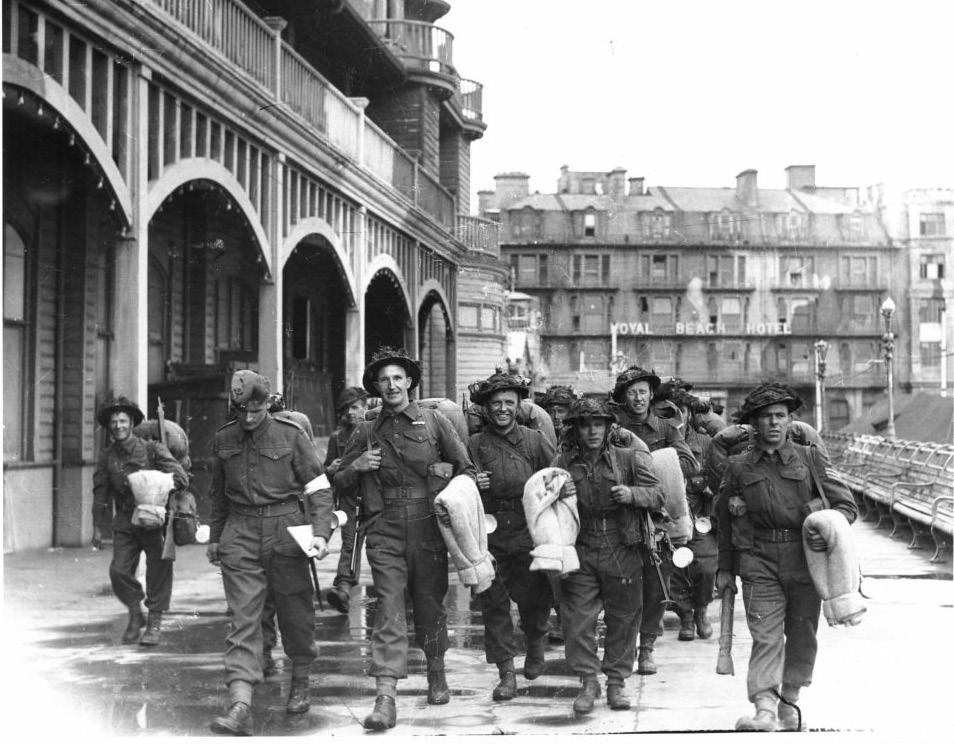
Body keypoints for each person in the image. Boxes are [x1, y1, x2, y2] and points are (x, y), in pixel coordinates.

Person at [334, 347, 476, 731]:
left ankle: (436, 670)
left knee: (430, 606)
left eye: (398, 378)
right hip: (384, 529)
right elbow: (339, 481)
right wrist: (357, 466)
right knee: (389, 607)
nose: (392, 385)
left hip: (428, 527)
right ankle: (385, 696)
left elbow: (466, 470)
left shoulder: (434, 422)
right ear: (376, 387)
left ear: (409, 382)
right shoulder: (365, 430)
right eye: (384, 380)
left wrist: (446, 482)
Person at [716, 382, 857, 732]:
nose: (774, 423)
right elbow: (723, 520)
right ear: (753, 423)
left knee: (802, 632)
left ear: (790, 420)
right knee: (765, 634)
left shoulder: (810, 457)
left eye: (780, 416)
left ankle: (790, 698)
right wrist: (724, 568)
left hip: (805, 558)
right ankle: (764, 708)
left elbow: (847, 507)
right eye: (765, 417)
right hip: (758, 558)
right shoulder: (738, 466)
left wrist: (821, 523)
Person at [206, 371, 333, 735]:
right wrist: (215, 538)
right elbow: (218, 494)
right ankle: (240, 705)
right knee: (243, 619)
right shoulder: (223, 439)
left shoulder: (291, 435)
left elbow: (319, 489)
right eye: (241, 410)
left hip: (286, 531)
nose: (248, 418)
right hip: (240, 533)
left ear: (267, 404)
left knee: (295, 614)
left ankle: (301, 681)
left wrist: (320, 533)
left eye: (256, 410)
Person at [551, 398, 664, 713]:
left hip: (622, 543)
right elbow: (541, 501)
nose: (592, 431)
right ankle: (588, 680)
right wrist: (558, 494)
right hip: (580, 545)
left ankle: (616, 682)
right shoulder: (562, 462)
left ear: (608, 427)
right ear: (576, 429)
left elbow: (659, 494)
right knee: (576, 620)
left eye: (598, 424)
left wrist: (633, 494)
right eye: (585, 425)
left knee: (624, 618)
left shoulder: (629, 459)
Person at [468, 373, 556, 700]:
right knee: (493, 603)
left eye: (509, 402)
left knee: (534, 598)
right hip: (490, 532)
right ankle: (506, 673)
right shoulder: (474, 444)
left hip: (528, 528)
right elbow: (460, 483)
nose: (502, 409)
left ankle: (535, 641)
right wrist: (474, 482)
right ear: (486, 408)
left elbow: (556, 480)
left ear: (519, 406)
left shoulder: (534, 440)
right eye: (496, 403)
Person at [610, 365, 699, 674]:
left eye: (643, 392)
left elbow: (689, 463)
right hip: (621, 514)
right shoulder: (612, 428)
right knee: (621, 585)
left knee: (657, 584)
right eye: (632, 393)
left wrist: (653, 466)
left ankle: (647, 646)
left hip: (658, 521)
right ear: (623, 397)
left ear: (651, 395)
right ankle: (625, 645)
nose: (638, 398)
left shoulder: (665, 428)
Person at [92, 396, 188, 646]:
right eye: (114, 422)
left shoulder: (152, 449)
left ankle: (154, 623)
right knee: (118, 571)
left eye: (123, 420)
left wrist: (155, 486)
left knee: (159, 571)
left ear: (132, 423)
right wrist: (96, 526)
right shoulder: (107, 456)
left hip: (154, 519)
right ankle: (136, 612)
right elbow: (100, 492)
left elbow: (181, 477)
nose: (118, 426)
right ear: (109, 426)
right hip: (125, 521)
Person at [653, 385, 718, 641]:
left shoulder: (705, 442)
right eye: (667, 412)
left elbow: (718, 478)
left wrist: (704, 486)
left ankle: (701, 610)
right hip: (669, 517)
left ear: (690, 413)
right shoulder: (657, 441)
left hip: (700, 515)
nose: (675, 416)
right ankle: (687, 617)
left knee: (706, 566)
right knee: (676, 566)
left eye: (681, 410)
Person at [324, 386, 369, 614]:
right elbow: (327, 471)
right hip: (350, 497)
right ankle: (343, 588)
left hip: (377, 495)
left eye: (355, 407)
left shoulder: (375, 430)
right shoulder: (337, 437)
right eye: (346, 409)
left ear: (365, 407)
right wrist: (330, 469)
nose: (350, 413)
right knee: (350, 543)